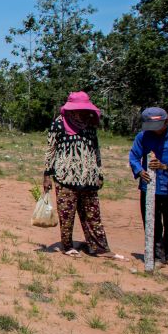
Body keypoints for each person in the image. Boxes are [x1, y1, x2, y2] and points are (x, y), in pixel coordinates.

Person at [43, 92, 110, 257]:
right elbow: (50, 150)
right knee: (66, 215)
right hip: (65, 178)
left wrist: (99, 172)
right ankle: (67, 246)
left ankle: (99, 248)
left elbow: (96, 150)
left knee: (93, 214)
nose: (82, 112)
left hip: (89, 177)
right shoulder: (59, 124)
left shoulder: (90, 124)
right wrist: (46, 175)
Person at [128, 107, 168, 265]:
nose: (155, 131)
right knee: (152, 223)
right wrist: (139, 170)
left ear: (167, 121)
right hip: (149, 188)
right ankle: (155, 256)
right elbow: (134, 156)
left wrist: (166, 166)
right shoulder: (143, 137)